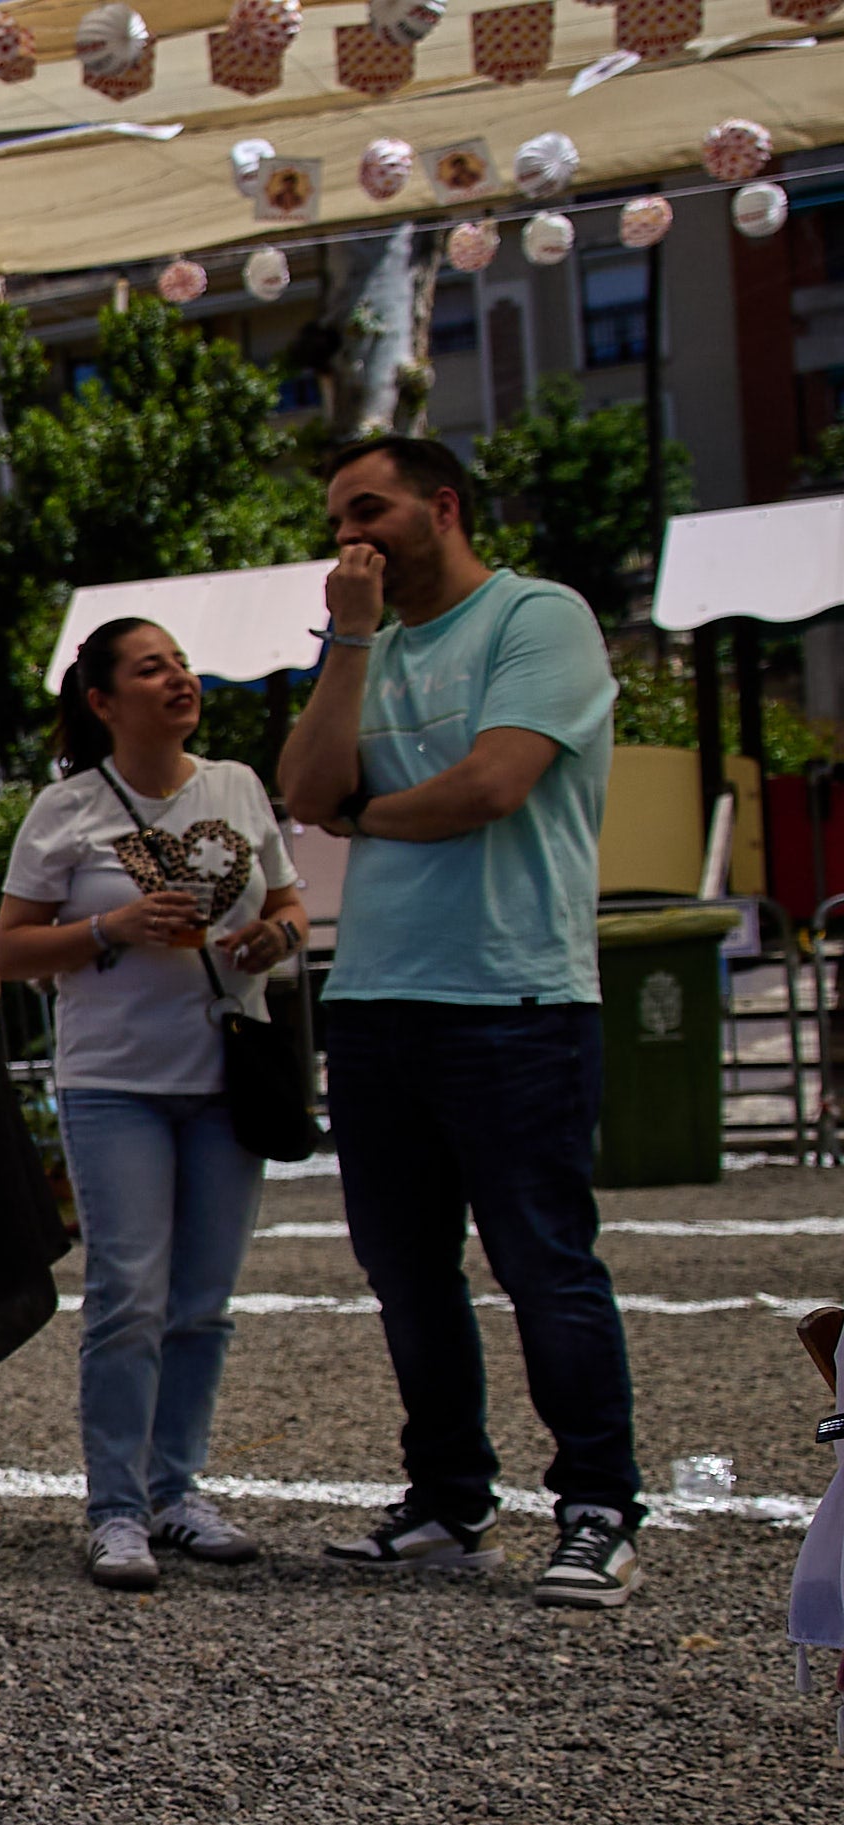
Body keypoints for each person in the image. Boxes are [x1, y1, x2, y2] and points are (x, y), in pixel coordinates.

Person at [277, 433, 637, 1607]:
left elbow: (494, 785)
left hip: (514, 994)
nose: (351, 536)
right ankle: (447, 1497)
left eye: (370, 509)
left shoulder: (539, 618)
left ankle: (596, 1504)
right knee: (405, 1271)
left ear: (443, 507)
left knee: (543, 1261)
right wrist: (347, 639)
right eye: (336, 517)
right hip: (378, 996)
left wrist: (364, 819)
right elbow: (302, 792)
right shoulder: (363, 642)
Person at [0, 618, 306, 1590]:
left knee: (203, 1305)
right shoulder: (65, 807)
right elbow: (8, 950)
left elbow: (290, 907)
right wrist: (112, 926)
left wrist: (273, 940)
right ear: (101, 702)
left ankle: (177, 1491)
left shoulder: (238, 787)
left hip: (226, 1071)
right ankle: (116, 1508)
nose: (177, 679)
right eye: (150, 669)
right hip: (115, 1080)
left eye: (179, 664)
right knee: (129, 1296)